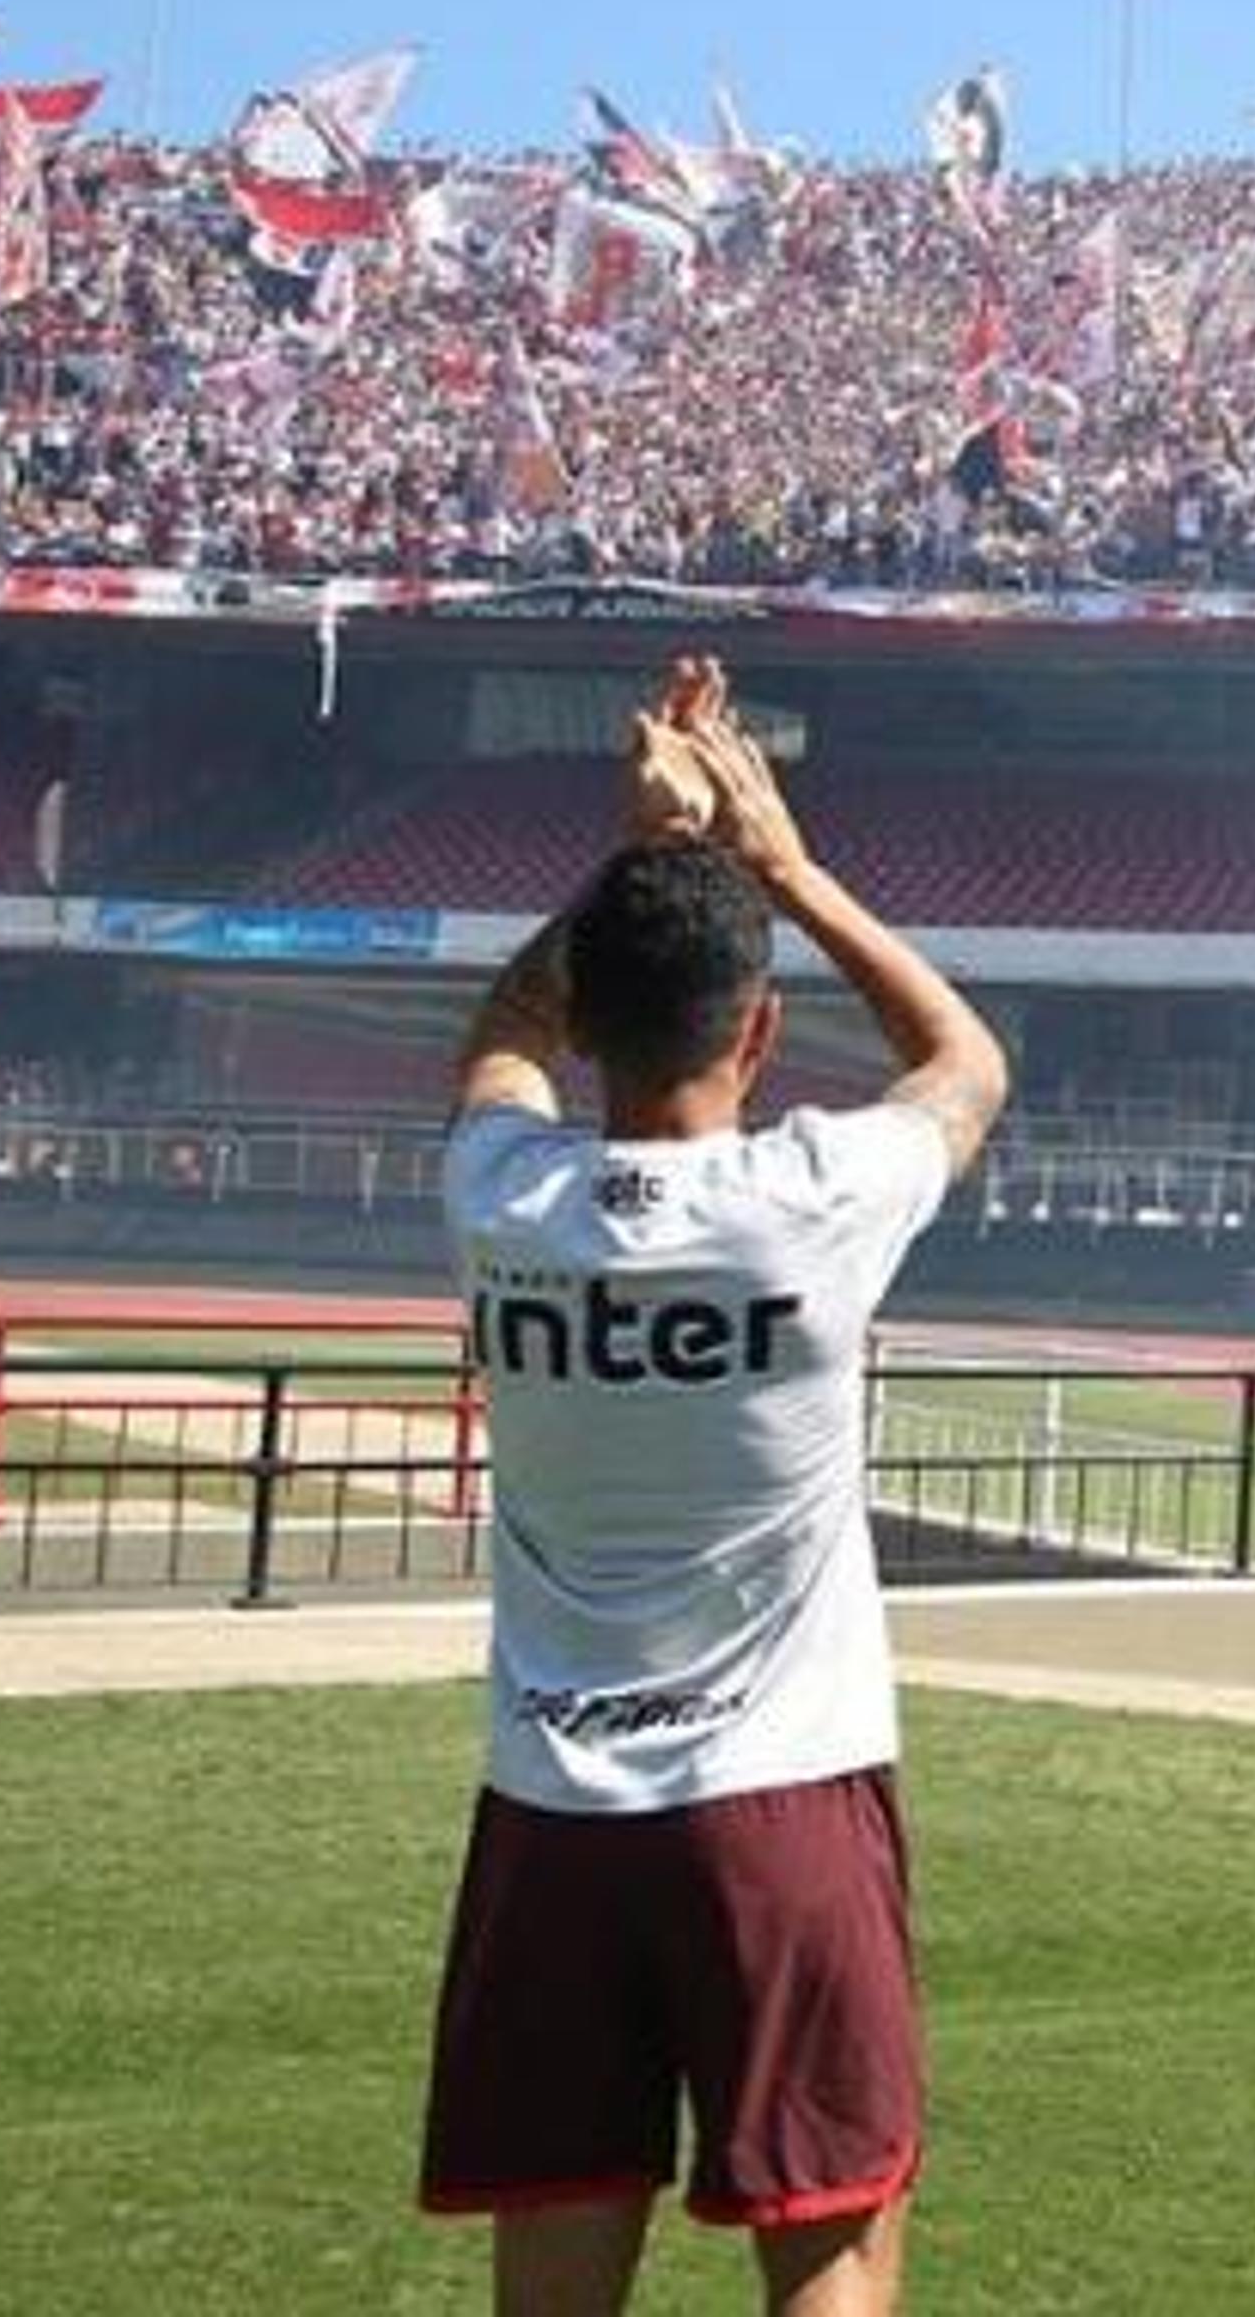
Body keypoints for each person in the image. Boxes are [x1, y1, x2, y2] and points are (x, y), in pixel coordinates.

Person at [419, 655, 1008, 2317]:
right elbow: (964, 1061)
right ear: (759, 1031)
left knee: (553, 2245)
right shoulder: (809, 1196)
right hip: (785, 1802)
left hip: (549, 1807)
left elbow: (500, 1039)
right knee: (831, 2231)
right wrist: (780, 860)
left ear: (591, 1019)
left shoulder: (504, 1198)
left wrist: (630, 858)